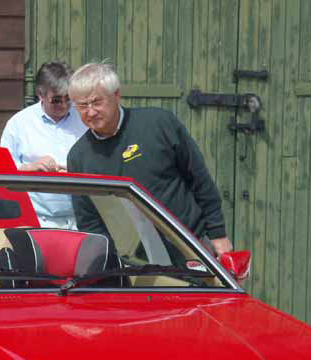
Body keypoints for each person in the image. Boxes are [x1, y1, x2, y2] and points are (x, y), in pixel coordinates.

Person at [66, 62, 232, 255]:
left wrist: (218, 234)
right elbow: (89, 221)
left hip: (192, 246)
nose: (91, 112)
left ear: (116, 95)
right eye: (83, 106)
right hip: (135, 262)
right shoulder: (78, 157)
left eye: (97, 102)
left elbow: (200, 180)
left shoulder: (159, 124)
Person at [0, 61, 87, 227]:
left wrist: (75, 169)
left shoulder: (84, 119)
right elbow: (3, 169)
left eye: (68, 99)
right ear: (40, 94)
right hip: (36, 219)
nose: (63, 105)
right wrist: (29, 167)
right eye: (56, 100)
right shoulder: (19, 123)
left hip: (80, 217)